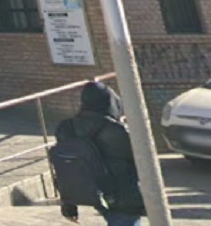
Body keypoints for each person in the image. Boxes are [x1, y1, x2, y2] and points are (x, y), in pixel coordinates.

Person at [52, 82, 144, 226]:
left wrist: (68, 206)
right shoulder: (115, 131)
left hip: (93, 191)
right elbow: (140, 162)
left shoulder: (66, 127)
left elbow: (64, 167)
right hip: (121, 195)